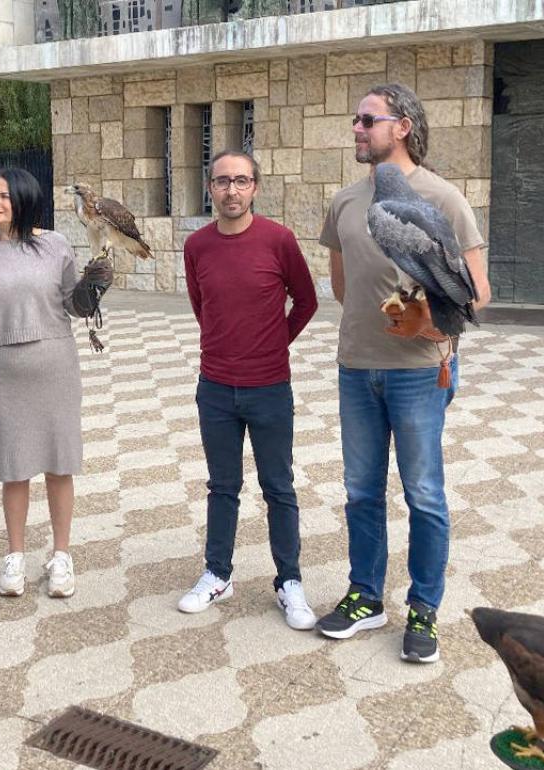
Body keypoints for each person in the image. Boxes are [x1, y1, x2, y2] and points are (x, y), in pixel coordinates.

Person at [317, 83, 491, 663]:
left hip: (418, 373)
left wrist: (430, 330)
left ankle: (424, 608)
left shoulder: (443, 199)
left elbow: (477, 293)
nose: (358, 129)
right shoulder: (344, 201)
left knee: (424, 495)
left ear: (403, 127)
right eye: (355, 119)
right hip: (356, 368)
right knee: (361, 493)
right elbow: (342, 287)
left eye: (369, 119)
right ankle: (366, 597)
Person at [177, 149, 319, 630]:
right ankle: (218, 573)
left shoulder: (278, 240)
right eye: (222, 182)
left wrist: (272, 342)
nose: (231, 190)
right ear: (210, 188)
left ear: (255, 186)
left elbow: (307, 300)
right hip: (215, 386)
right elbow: (203, 307)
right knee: (222, 485)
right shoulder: (197, 246)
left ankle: (290, 582)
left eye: (241, 181)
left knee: (279, 486)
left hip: (269, 387)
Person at [0, 167, 112, 598]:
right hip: (3, 372)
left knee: (60, 464)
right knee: (14, 468)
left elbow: (74, 305)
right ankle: (15, 556)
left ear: (24, 198)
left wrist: (91, 289)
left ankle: (61, 555)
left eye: (4, 196)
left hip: (55, 367)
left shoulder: (56, 245)